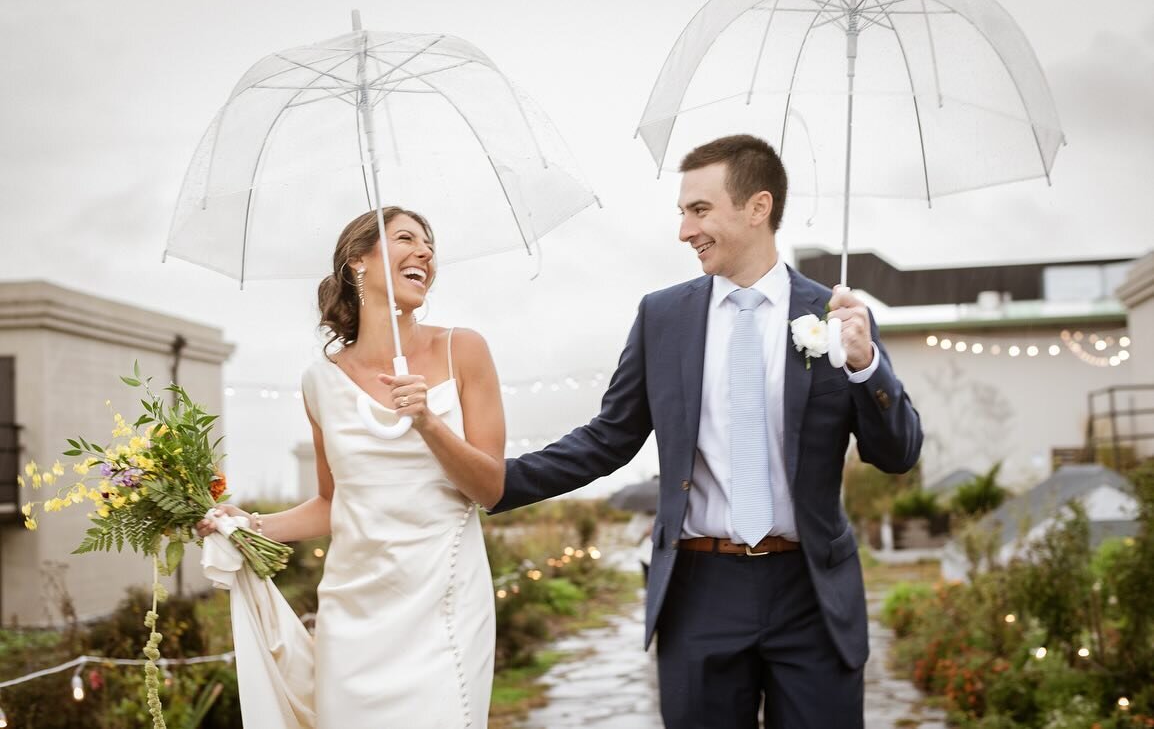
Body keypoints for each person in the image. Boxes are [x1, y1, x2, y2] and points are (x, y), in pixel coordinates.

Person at [489, 135, 922, 729]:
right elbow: (608, 438)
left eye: (699, 210)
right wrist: (493, 482)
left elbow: (897, 453)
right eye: (682, 212)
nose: (684, 230)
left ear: (758, 207)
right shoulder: (662, 317)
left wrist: (865, 364)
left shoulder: (838, 317)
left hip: (813, 596)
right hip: (699, 589)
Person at [200, 206, 505, 728]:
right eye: (406, 238)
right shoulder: (319, 380)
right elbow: (331, 502)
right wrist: (248, 525)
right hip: (354, 614)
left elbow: (491, 488)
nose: (426, 252)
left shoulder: (464, 350)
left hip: (446, 605)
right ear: (357, 262)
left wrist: (429, 423)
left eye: (429, 244)